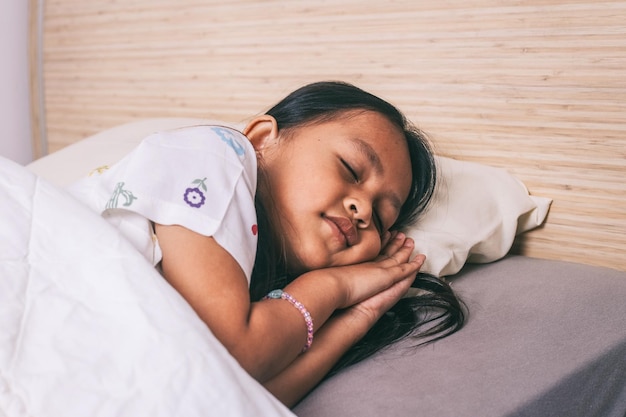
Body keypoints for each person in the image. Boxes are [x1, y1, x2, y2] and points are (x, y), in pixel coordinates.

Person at [69, 81, 465, 407]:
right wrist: (333, 287)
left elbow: (234, 399)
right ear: (262, 138)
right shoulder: (215, 154)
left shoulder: (260, 296)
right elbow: (232, 354)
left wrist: (358, 316)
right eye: (351, 168)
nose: (362, 209)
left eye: (381, 219)